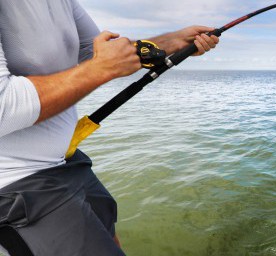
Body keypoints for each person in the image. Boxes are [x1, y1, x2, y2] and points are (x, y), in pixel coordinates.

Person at [0, 0, 219, 255]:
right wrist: (101, 69)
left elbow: (92, 52)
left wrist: (173, 41)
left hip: (66, 161)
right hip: (17, 184)